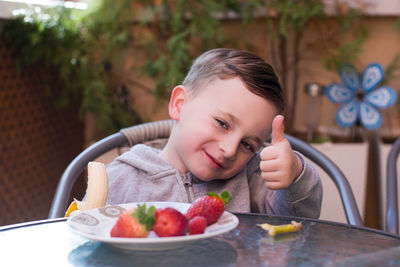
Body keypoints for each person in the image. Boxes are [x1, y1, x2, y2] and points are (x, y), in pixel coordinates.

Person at [106, 48, 322, 218]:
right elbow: (83, 243)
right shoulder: (121, 179)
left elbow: (298, 221)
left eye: (247, 145)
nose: (229, 150)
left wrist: (295, 175)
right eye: (222, 123)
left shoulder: (253, 181)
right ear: (179, 104)